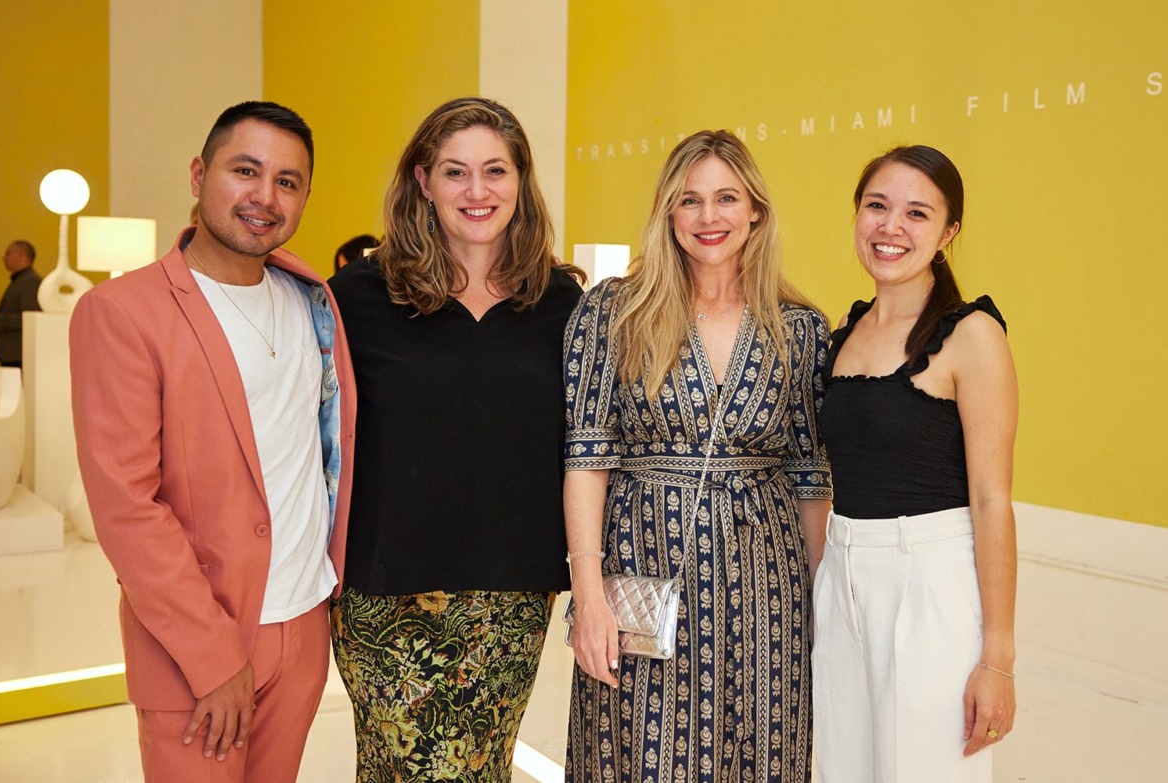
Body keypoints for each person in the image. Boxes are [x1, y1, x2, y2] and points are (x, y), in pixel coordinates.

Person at [69, 101, 356, 782]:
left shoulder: (312, 297)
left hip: (304, 618)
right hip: (202, 636)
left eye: (288, 181)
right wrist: (212, 653)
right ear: (199, 174)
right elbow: (127, 506)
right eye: (245, 170)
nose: (265, 196)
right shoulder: (123, 312)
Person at [563, 130, 833, 782]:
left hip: (767, 587)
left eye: (726, 199)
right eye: (690, 201)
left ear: (755, 211)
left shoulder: (799, 329)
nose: (708, 218)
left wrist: (818, 607)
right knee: (633, 754)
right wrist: (588, 595)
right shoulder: (616, 311)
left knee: (762, 749)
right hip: (642, 567)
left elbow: (810, 478)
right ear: (668, 213)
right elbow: (586, 459)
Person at [328, 96, 583, 780]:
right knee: (414, 767)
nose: (477, 191)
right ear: (422, 181)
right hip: (386, 591)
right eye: (455, 172)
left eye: (495, 171)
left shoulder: (561, 303)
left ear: (522, 181)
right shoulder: (357, 297)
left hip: (511, 596)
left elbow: (586, 447)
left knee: (479, 766)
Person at [813, 145, 1018, 783]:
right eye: (877, 206)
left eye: (916, 213)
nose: (890, 228)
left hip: (932, 582)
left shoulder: (971, 335)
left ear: (948, 232)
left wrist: (999, 658)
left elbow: (991, 500)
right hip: (843, 578)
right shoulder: (841, 334)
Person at [0, 240, 41, 367]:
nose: (4, 258)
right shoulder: (21, 280)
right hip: (13, 353)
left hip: (19, 354)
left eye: (8, 253)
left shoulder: (30, 281)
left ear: (21, 255)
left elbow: (29, 317)